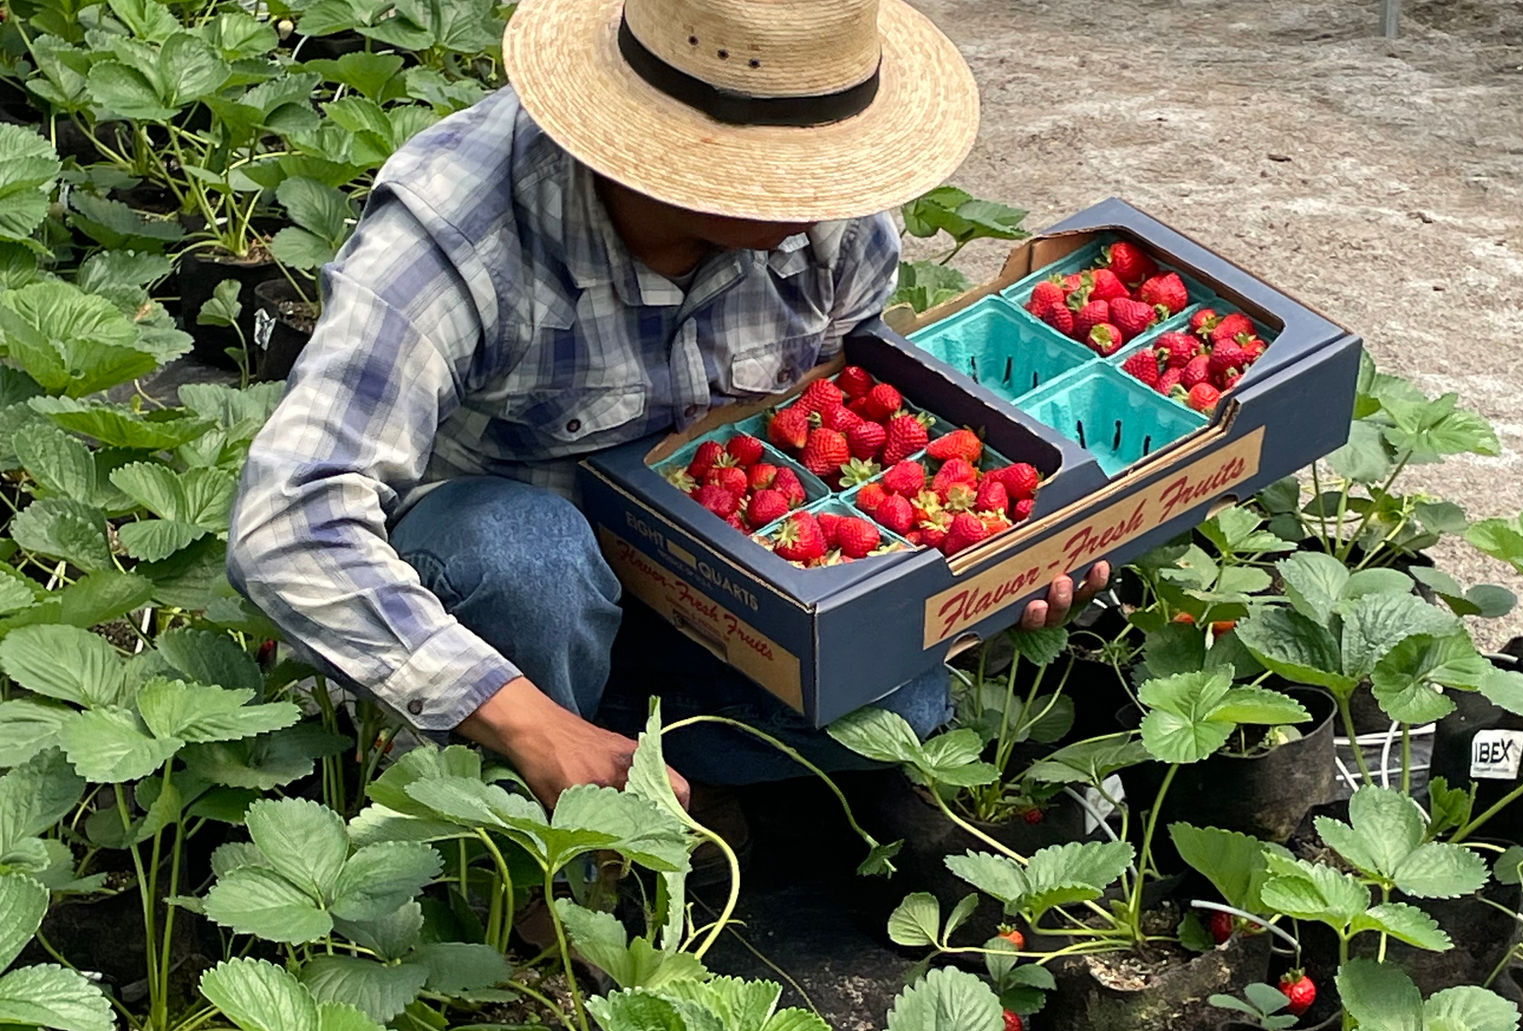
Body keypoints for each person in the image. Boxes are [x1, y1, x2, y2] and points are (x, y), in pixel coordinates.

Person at [227, 0, 1109, 821]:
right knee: (526, 553)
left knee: (908, 703)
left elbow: (838, 439)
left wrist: (988, 566)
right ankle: (541, 849)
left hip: (715, 588)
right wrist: (532, 724)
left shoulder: (840, 227)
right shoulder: (457, 240)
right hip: (495, 607)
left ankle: (657, 779)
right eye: (793, 172)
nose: (829, 195)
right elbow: (287, 520)